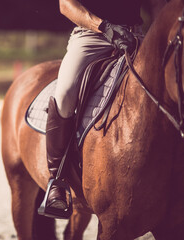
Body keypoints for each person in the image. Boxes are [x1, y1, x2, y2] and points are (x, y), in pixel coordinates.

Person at [40, 0, 167, 219]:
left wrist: (164, 29)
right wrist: (105, 27)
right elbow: (66, 5)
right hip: (92, 36)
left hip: (136, 37)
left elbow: (158, 4)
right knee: (65, 93)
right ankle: (57, 180)